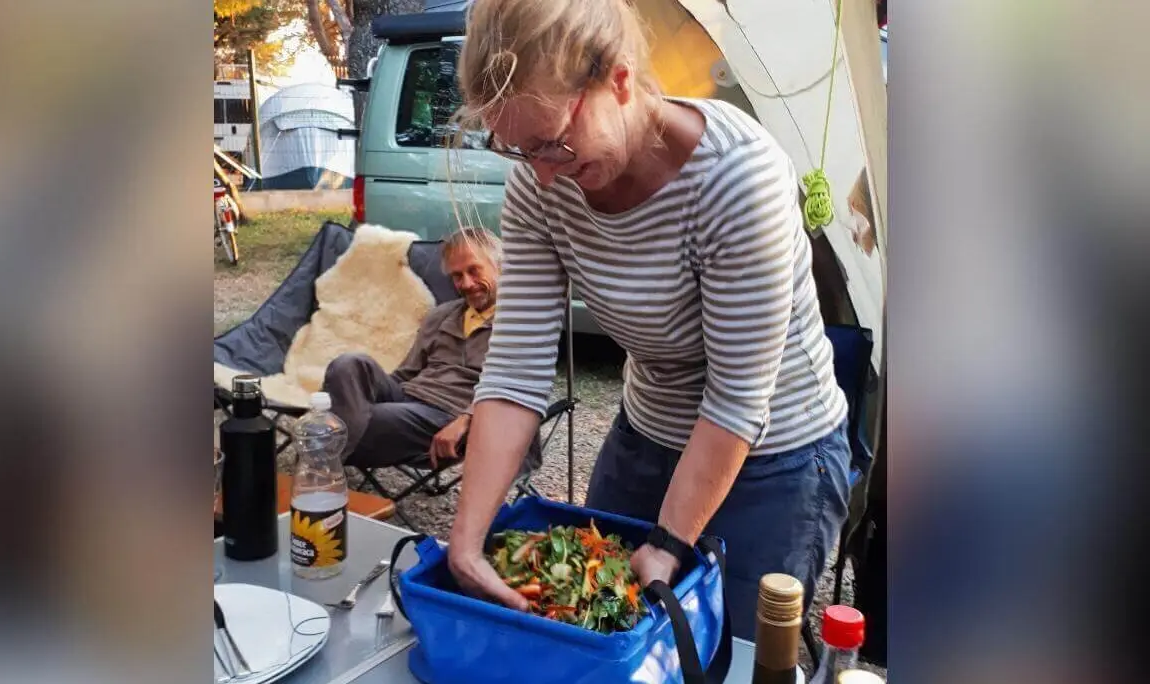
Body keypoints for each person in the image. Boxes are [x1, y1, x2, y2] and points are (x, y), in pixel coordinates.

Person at [444, 0, 853, 639]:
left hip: (775, 458)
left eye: (553, 143)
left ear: (620, 79)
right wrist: (465, 544)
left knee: (728, 652)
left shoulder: (737, 179)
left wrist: (668, 541)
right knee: (595, 628)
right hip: (647, 433)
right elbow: (516, 368)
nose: (545, 177)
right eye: (520, 151)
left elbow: (739, 399)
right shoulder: (539, 187)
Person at [322, 227, 502, 470]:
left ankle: (320, 468)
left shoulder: (515, 323)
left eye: (474, 270)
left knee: (363, 420)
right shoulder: (442, 315)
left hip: (451, 413)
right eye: (457, 276)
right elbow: (406, 374)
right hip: (410, 397)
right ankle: (327, 454)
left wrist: (466, 419)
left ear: (499, 267)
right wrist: (360, 391)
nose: (467, 284)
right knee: (349, 364)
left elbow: (512, 390)